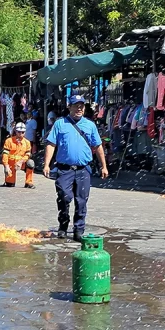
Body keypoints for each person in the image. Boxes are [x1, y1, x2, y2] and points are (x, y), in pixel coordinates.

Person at [43, 95, 108, 241]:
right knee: (64, 197)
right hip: (64, 169)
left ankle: (79, 229)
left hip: (83, 169)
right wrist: (47, 164)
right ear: (69, 107)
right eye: (76, 106)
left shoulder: (90, 125)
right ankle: (63, 226)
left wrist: (104, 166)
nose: (79, 109)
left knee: (81, 200)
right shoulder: (60, 124)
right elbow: (51, 144)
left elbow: (97, 146)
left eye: (81, 106)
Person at [2, 122, 35, 189]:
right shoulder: (9, 141)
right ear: (15, 131)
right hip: (11, 163)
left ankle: (28, 182)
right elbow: (5, 154)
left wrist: (21, 161)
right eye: (19, 132)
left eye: (23, 132)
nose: (20, 134)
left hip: (21, 162)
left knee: (30, 163)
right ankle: (8, 180)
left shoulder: (27, 142)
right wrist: (6, 166)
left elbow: (28, 154)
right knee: (10, 184)